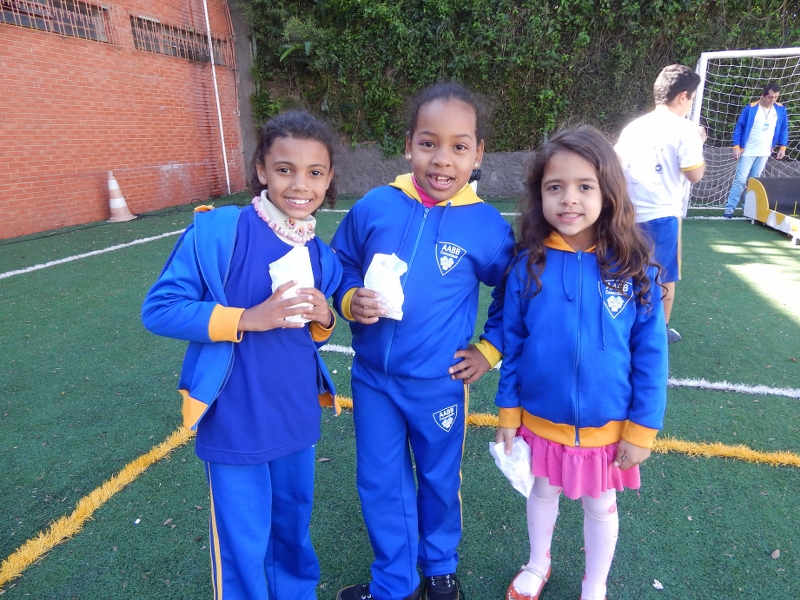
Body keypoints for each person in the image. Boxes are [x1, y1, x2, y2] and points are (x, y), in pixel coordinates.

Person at [141, 111, 342, 600]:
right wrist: (247, 318)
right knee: (243, 546)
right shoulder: (219, 231)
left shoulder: (321, 253)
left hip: (295, 417)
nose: (300, 185)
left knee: (292, 534)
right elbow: (160, 309)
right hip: (235, 421)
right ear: (260, 170)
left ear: (329, 179)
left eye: (315, 172)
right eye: (285, 169)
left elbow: (308, 337)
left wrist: (324, 318)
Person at [331, 82, 515, 600]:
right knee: (381, 481)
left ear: (478, 154)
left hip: (439, 383)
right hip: (373, 381)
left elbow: (518, 292)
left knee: (438, 478)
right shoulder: (376, 205)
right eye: (429, 143)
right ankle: (396, 582)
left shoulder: (487, 226)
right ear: (409, 144)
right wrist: (348, 298)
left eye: (459, 146)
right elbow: (339, 263)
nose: (442, 159)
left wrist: (489, 349)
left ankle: (439, 570)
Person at [495, 125, 668, 600]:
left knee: (601, 503)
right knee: (542, 492)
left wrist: (642, 428)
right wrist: (508, 411)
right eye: (555, 186)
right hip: (541, 419)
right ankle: (538, 563)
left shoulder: (632, 266)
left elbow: (652, 355)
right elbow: (513, 344)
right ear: (540, 195)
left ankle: (595, 584)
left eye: (584, 186)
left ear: (608, 192)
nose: (569, 199)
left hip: (607, 425)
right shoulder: (527, 265)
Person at [615, 64, 707, 344]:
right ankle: (660, 330)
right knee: (664, 276)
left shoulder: (633, 127)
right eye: (691, 98)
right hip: (662, 216)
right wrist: (700, 143)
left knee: (626, 271)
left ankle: (621, 324)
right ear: (683, 96)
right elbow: (694, 174)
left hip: (627, 215)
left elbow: (616, 165)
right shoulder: (686, 129)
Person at [723, 83, 789, 218]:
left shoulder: (780, 110)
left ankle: (748, 207)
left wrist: (782, 147)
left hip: (765, 152)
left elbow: (783, 129)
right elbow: (739, 127)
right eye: (770, 97)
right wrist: (736, 146)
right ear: (762, 95)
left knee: (754, 181)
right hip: (747, 151)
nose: (772, 100)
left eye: (775, 97)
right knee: (740, 180)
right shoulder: (751, 108)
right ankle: (730, 208)